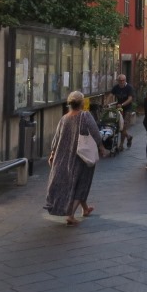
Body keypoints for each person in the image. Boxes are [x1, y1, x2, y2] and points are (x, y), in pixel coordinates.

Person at [44, 91, 106, 225]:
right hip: (81, 157)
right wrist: (101, 147)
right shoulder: (85, 115)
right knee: (82, 183)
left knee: (75, 182)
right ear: (82, 103)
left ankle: (85, 209)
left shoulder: (64, 118)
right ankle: (71, 215)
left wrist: (52, 153)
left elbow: (56, 137)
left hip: (63, 156)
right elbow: (95, 132)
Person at [109, 74, 135, 149]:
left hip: (127, 109)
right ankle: (128, 137)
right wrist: (107, 103)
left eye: (123, 80)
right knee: (119, 126)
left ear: (125, 80)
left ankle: (121, 145)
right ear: (118, 81)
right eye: (120, 80)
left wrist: (122, 104)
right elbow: (110, 95)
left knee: (123, 127)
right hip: (119, 109)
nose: (122, 82)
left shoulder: (129, 87)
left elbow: (130, 99)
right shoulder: (116, 87)